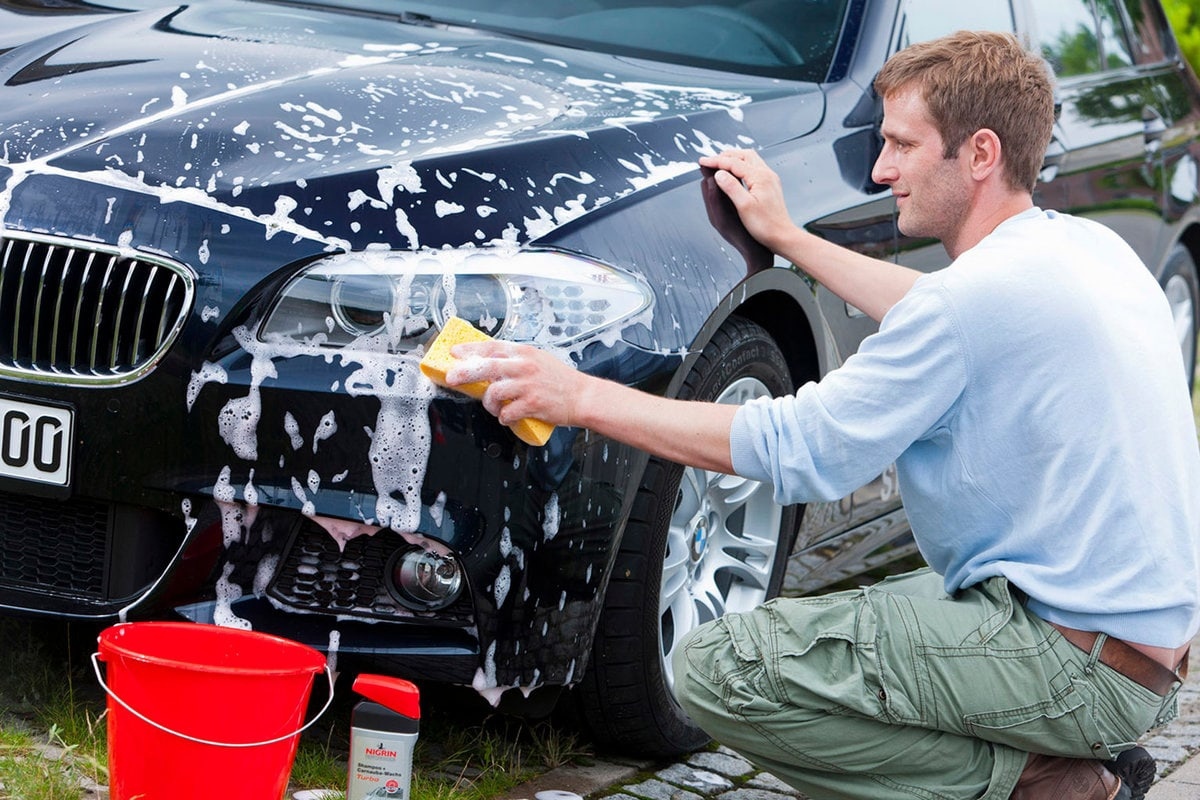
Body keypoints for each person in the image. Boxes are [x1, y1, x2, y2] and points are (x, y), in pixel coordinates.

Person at [444, 30, 1200, 800]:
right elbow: (926, 310)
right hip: (1139, 656)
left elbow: (800, 446)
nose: (881, 170)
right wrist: (787, 238)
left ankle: (1044, 784)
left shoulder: (971, 302)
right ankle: (1056, 760)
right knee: (851, 632)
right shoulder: (1080, 250)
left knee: (717, 668)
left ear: (979, 154)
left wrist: (579, 396)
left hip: (1075, 667)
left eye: (903, 145)